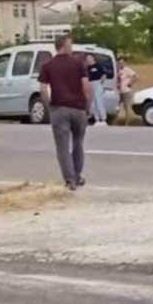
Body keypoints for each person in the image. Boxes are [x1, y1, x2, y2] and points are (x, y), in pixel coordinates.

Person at [37, 34, 91, 190]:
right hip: (78, 108)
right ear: (64, 45)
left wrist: (49, 108)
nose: (71, 47)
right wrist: (87, 107)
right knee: (78, 142)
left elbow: (43, 89)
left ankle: (70, 180)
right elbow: (86, 87)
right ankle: (77, 175)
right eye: (70, 44)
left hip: (59, 109)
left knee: (62, 147)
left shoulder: (48, 66)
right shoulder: (78, 64)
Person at [85, 54, 108, 126]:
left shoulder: (98, 66)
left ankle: (103, 118)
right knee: (93, 103)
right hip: (90, 84)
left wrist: (101, 82)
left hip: (97, 83)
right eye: (87, 59)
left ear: (93, 58)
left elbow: (104, 74)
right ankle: (97, 119)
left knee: (99, 101)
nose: (88, 60)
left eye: (89, 58)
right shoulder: (87, 68)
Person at [116, 57, 137, 126]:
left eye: (122, 63)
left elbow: (134, 76)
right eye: (119, 63)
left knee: (127, 107)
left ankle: (127, 123)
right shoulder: (117, 70)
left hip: (126, 91)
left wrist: (130, 83)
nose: (121, 64)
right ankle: (115, 121)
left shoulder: (127, 69)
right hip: (119, 91)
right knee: (117, 107)